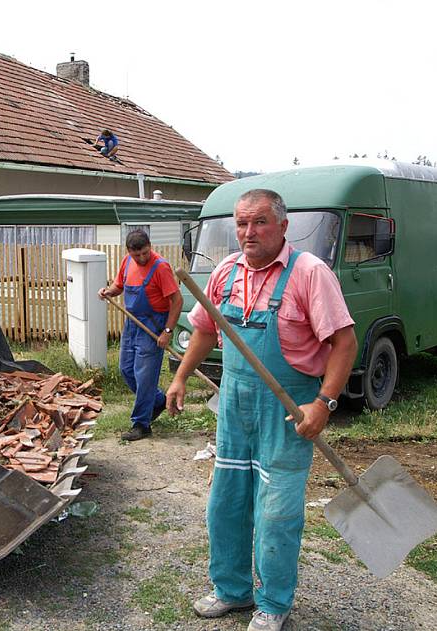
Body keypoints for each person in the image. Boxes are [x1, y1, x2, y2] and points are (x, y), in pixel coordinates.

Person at [165, 189, 357, 631]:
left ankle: (273, 602)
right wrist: (178, 377)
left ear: (283, 227)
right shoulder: (226, 272)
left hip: (288, 410)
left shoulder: (310, 274)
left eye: (260, 223)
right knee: (226, 503)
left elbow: (344, 343)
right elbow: (204, 332)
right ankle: (232, 591)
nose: (248, 233)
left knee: (276, 512)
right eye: (241, 224)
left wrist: (324, 403)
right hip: (234, 406)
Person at [99, 230, 183, 441]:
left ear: (150, 246)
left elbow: (177, 300)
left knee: (145, 376)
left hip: (153, 325)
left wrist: (167, 331)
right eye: (138, 255)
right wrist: (108, 291)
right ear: (129, 252)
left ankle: (141, 424)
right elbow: (119, 285)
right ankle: (157, 401)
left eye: (146, 253)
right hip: (132, 324)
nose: (143, 258)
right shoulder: (127, 262)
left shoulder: (160, 267)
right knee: (126, 369)